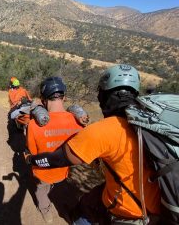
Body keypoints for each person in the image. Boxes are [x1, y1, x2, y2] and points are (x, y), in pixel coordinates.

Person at [25, 65, 161, 224]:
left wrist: (30, 160)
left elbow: (55, 158)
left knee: (55, 199)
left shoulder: (102, 130)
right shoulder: (152, 122)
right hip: (159, 205)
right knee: (90, 199)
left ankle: (48, 212)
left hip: (129, 211)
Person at [26, 76, 84, 223]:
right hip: (63, 172)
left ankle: (46, 213)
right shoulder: (78, 122)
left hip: (42, 173)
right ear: (64, 98)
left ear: (43, 99)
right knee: (61, 190)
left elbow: (32, 154)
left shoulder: (33, 125)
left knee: (41, 192)